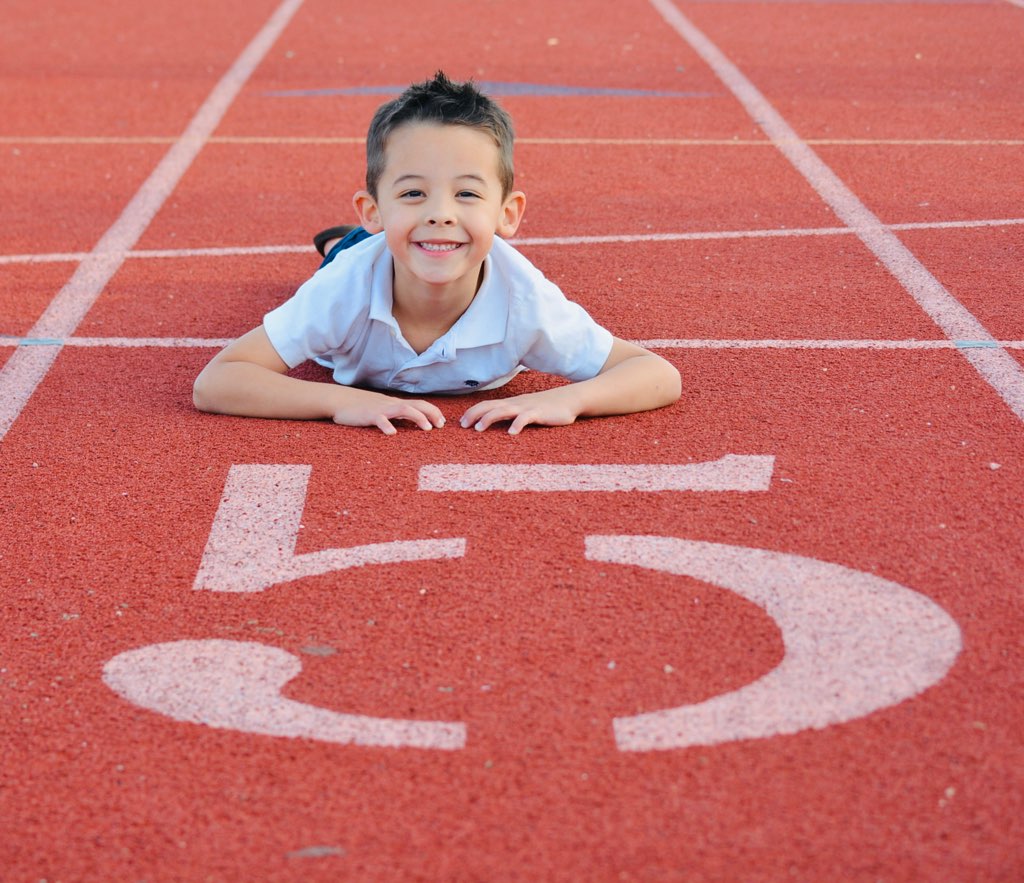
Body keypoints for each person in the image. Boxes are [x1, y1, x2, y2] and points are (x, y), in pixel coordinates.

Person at [193, 71, 681, 435]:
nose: (441, 213)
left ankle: (364, 230)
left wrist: (571, 400)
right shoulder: (343, 289)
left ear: (508, 214)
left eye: (467, 194)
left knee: (408, 240)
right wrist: (338, 402)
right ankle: (346, 239)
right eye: (412, 194)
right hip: (368, 250)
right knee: (346, 255)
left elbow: (656, 373)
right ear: (372, 208)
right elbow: (217, 381)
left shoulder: (526, 302)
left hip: (401, 244)